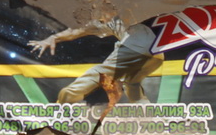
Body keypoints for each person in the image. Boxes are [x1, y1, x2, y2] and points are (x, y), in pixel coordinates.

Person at [30, 14, 163, 104]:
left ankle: (64, 103)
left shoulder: (110, 18)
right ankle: (144, 111)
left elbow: (76, 31)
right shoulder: (128, 15)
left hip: (135, 45)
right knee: (132, 82)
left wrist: (53, 38)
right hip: (157, 54)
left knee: (99, 73)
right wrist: (53, 38)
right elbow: (77, 31)